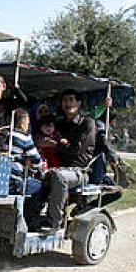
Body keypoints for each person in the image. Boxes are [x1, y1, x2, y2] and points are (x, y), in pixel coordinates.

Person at [43, 89, 98, 233]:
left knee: (58, 177)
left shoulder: (87, 123)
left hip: (78, 171)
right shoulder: (59, 124)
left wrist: (57, 145)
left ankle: (54, 222)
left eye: (71, 99)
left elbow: (76, 149)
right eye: (65, 100)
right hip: (56, 167)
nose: (68, 103)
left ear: (78, 103)